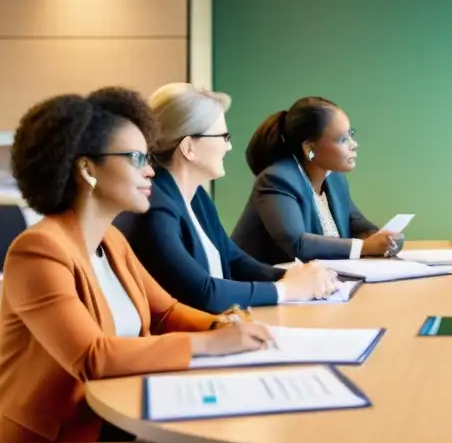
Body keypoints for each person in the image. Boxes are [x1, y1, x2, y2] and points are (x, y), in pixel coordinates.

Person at [0, 88, 285, 443]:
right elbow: (92, 357)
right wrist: (215, 346)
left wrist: (219, 325)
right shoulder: (38, 250)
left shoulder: (111, 239)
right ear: (87, 169)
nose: (151, 169)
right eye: (137, 158)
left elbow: (165, 311)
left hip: (122, 412)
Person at [119, 83, 340, 313]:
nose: (229, 146)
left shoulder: (196, 196)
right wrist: (285, 289)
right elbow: (204, 293)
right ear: (188, 148)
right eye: (224, 136)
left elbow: (233, 259)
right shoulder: (155, 208)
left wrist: (292, 275)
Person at [232, 96, 401, 265]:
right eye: (343, 139)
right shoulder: (277, 180)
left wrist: (385, 239)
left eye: (351, 135)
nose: (354, 144)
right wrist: (364, 247)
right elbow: (297, 243)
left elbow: (357, 225)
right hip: (259, 285)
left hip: (312, 283)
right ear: (310, 149)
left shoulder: (335, 179)